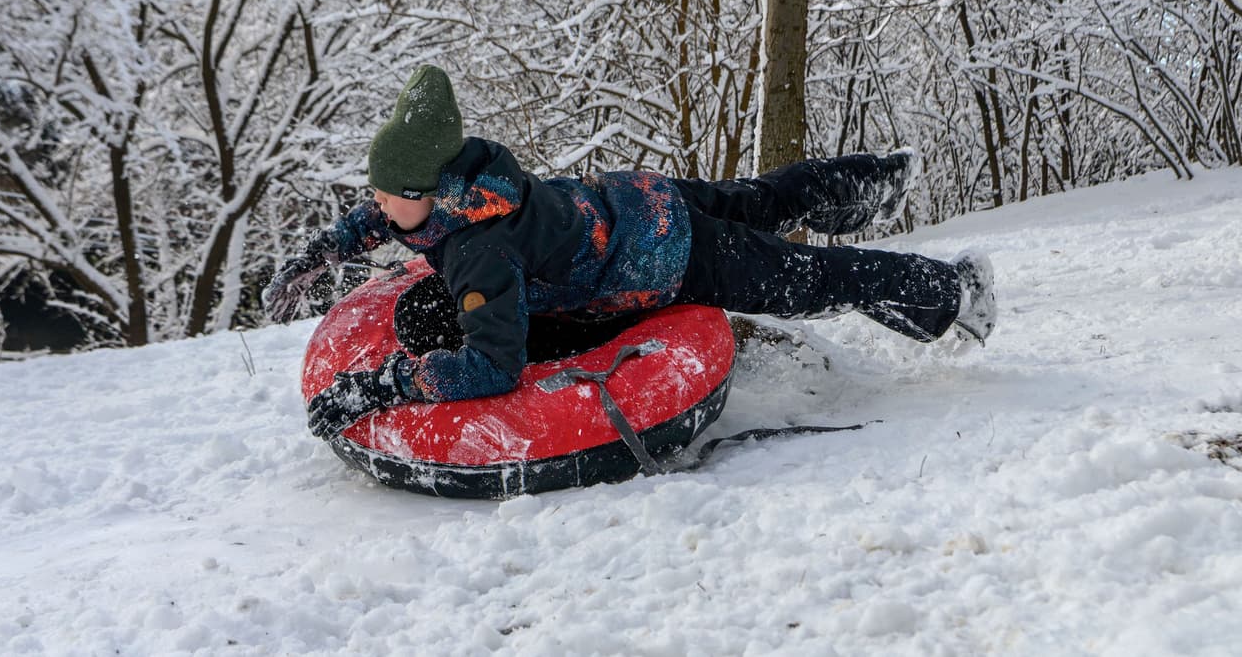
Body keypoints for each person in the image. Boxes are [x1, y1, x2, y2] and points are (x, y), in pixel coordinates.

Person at [264, 65, 997, 440]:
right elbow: (383, 216)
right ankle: (878, 177)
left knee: (803, 279)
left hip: (664, 253)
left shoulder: (480, 254)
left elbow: (493, 365)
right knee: (759, 199)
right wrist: (322, 252)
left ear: (427, 188)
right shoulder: (464, 182)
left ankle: (954, 293)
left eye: (388, 192)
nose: (377, 204)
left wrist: (385, 385)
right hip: (634, 196)